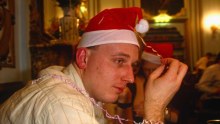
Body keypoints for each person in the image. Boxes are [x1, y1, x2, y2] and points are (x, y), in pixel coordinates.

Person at [0, 7, 188, 124]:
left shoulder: (68, 84)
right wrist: (154, 110)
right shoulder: (63, 105)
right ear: (83, 58)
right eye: (119, 61)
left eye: (133, 65)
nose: (130, 77)